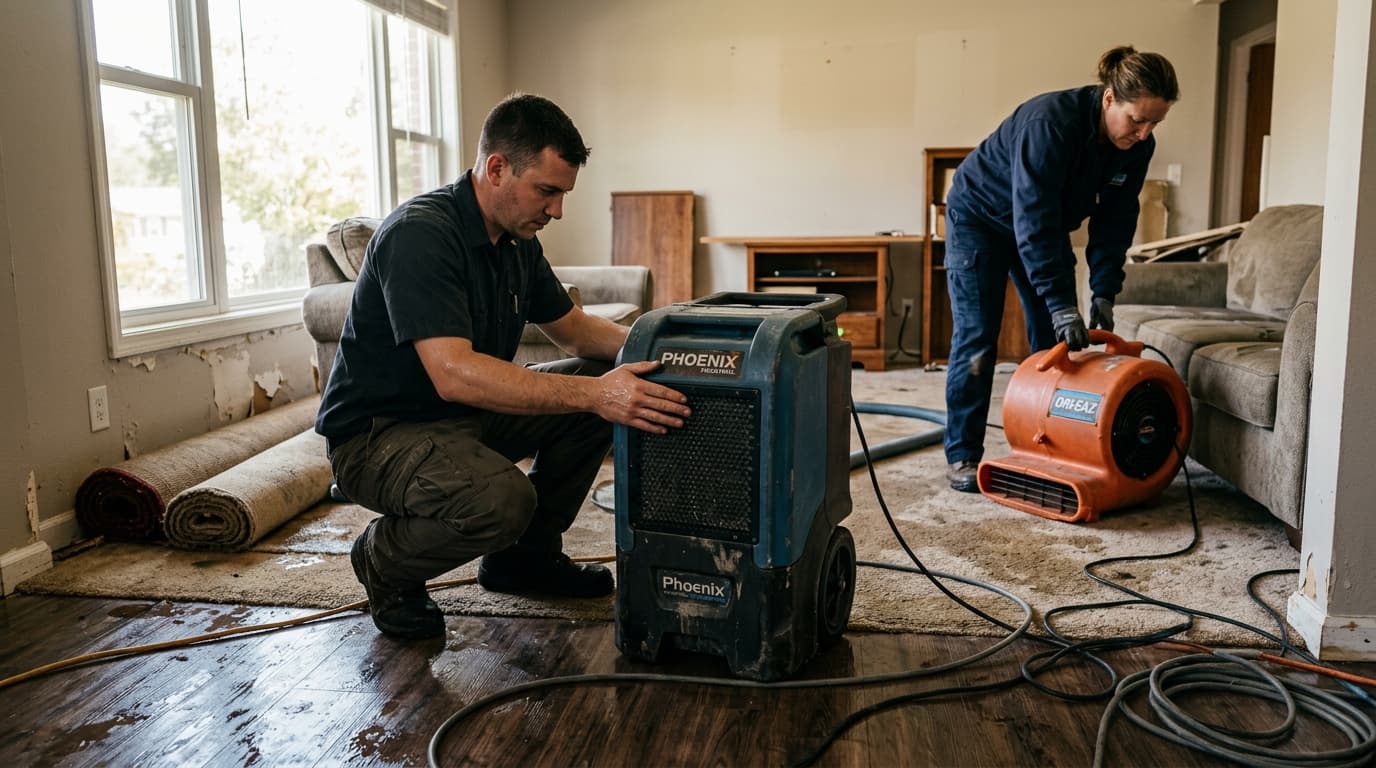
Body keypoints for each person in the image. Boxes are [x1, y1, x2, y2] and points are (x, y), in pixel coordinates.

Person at [316, 93, 692, 639]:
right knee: (503, 499)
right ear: (496, 168)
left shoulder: (516, 241)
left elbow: (577, 330)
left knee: (600, 383)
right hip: (379, 437)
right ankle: (386, 561)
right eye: (547, 190)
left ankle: (525, 559)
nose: (557, 209)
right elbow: (454, 372)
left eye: (562, 193)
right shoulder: (420, 235)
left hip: (462, 417)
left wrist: (672, 354)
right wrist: (595, 396)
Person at [942, 45, 1179, 493]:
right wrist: (1062, 302)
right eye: (1137, 120)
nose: (1145, 133)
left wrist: (1104, 292)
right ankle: (962, 453)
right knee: (977, 337)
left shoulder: (1135, 147)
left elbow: (1115, 220)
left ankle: (1044, 446)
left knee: (1052, 344)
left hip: (1037, 227)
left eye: (1154, 123)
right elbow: (1035, 218)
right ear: (1110, 99)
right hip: (981, 220)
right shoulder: (1049, 124)